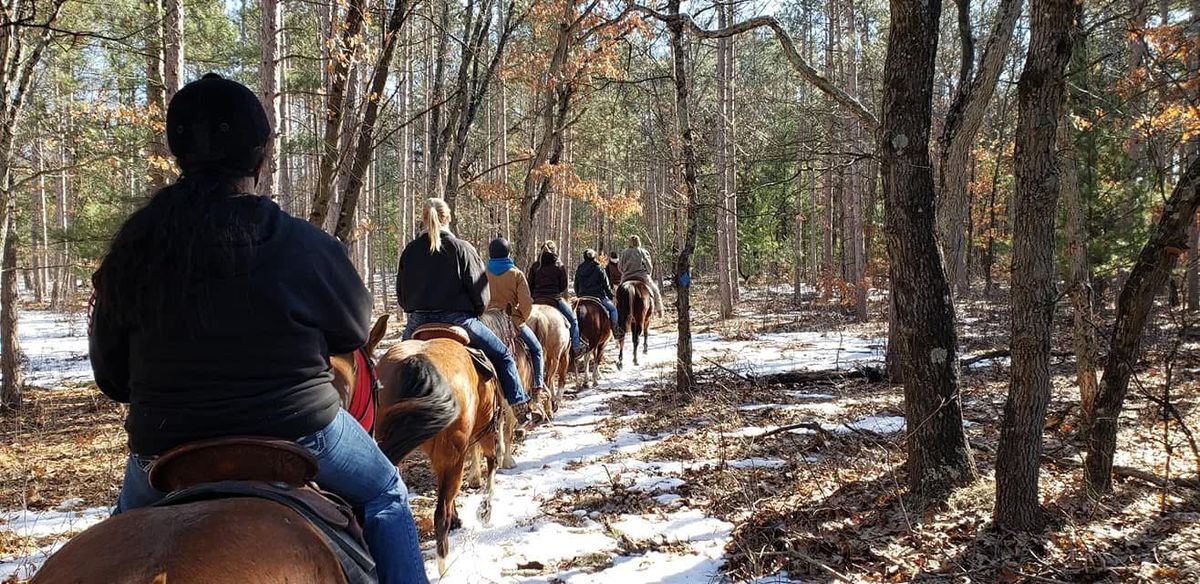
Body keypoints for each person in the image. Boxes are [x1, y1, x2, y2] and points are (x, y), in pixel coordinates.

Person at [88, 74, 428, 584]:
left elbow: (112, 377)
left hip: (163, 448)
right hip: (301, 432)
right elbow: (355, 328)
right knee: (386, 494)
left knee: (115, 550)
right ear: (259, 159)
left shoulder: (131, 252)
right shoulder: (303, 245)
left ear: (179, 157)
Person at [396, 199, 530, 418]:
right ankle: (518, 403)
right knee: (504, 355)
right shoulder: (462, 248)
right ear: (449, 218)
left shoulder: (409, 251)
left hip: (417, 322)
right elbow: (481, 293)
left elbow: (402, 296)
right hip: (459, 321)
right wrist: (477, 310)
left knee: (396, 370)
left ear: (423, 218)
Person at [484, 236, 547, 404]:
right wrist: (519, 319)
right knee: (537, 349)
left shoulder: (483, 273)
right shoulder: (516, 274)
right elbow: (527, 303)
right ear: (508, 253)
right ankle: (538, 387)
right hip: (511, 320)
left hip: (486, 322)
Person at [528, 240, 583, 357]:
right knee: (573, 321)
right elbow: (563, 285)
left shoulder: (535, 265)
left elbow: (530, 284)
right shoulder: (559, 265)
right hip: (554, 299)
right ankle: (576, 347)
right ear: (555, 251)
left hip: (536, 299)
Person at [574, 249, 620, 336]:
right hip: (598, 296)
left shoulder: (580, 268)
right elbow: (606, 285)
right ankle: (615, 330)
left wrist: (578, 295)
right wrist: (610, 295)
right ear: (594, 257)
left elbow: (576, 284)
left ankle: (574, 336)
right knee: (613, 309)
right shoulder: (599, 268)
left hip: (582, 296)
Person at [618, 235, 665, 316]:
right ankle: (660, 310)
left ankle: (617, 312)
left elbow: (620, 267)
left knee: (618, 293)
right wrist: (648, 273)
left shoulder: (624, 252)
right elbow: (649, 266)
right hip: (642, 276)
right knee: (655, 290)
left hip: (627, 277)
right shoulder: (643, 252)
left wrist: (625, 272)